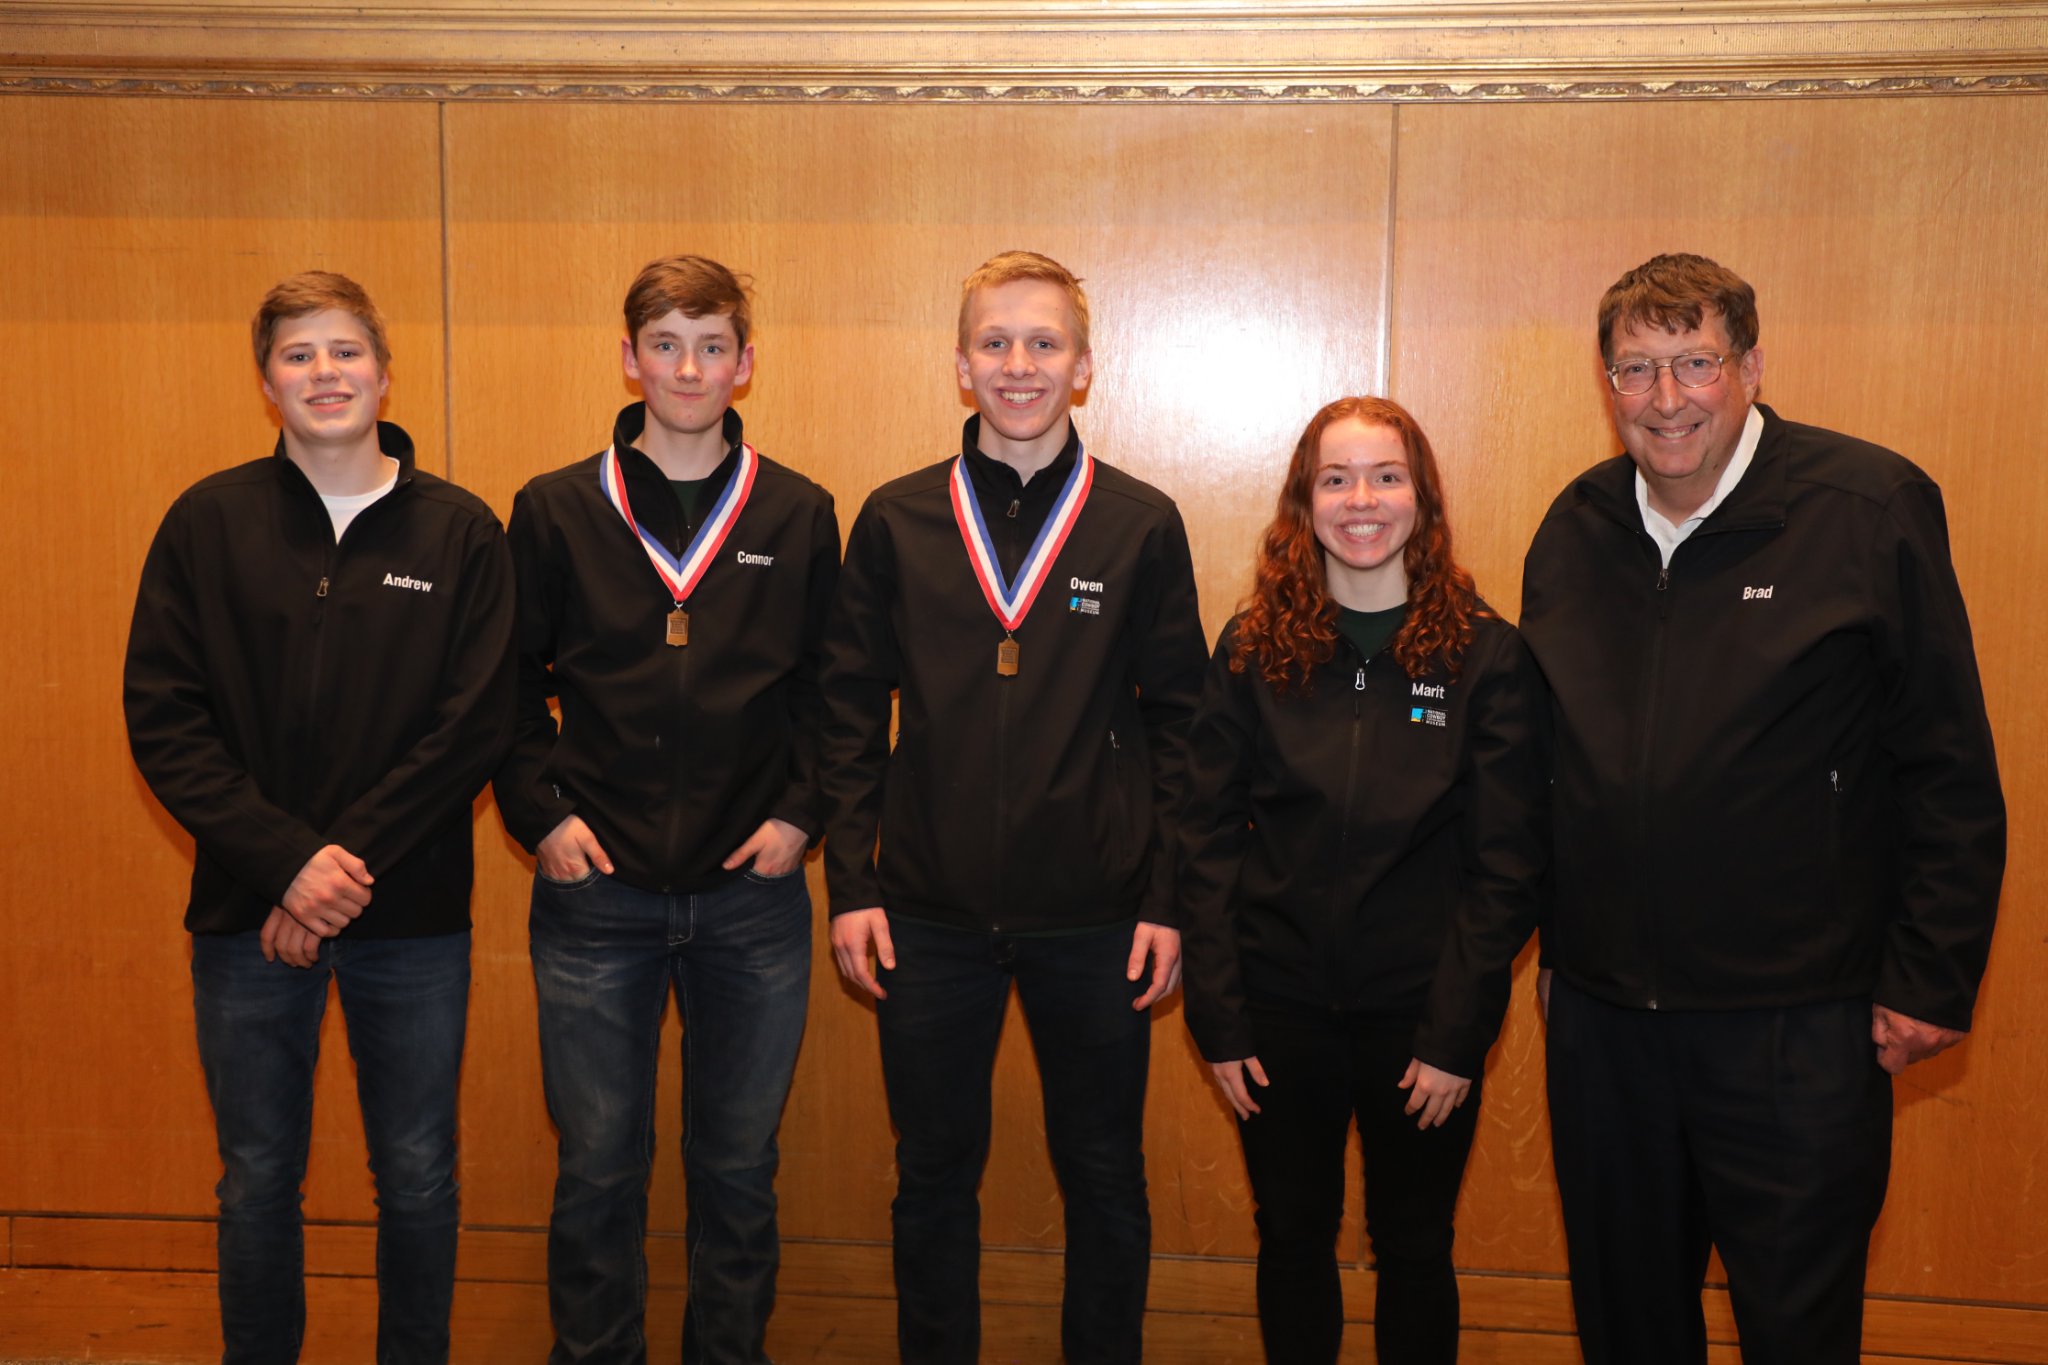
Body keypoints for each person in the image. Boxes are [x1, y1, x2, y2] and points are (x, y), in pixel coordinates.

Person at [1520, 252, 2005, 1365]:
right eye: (1635, 369)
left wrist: (1928, 973)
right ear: (1605, 384)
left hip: (1797, 1021)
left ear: (1747, 368)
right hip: (1603, 1024)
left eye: (1693, 362)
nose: (1664, 398)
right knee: (1626, 1326)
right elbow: (1546, 759)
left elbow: (1944, 760)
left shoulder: (1864, 506)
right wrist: (1557, 940)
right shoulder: (1576, 524)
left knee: (1792, 1324)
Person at [818, 250, 1208, 1364]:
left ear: (1083, 368)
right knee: (932, 1175)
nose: (1018, 364)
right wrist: (853, 884)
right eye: (994, 343)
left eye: (1043, 344)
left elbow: (1184, 726)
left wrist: (1166, 898)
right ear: (959, 365)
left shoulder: (1138, 523)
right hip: (925, 918)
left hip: (1095, 919)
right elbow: (847, 715)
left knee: (1102, 1172)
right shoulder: (894, 520)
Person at [123, 271, 515, 1364]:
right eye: (299, 356)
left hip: (413, 917)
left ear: (385, 375)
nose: (324, 373)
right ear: (266, 384)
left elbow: (473, 727)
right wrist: (291, 867)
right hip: (247, 915)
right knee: (256, 1175)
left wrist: (339, 871)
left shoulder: (461, 532)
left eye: (345, 352)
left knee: (419, 1172)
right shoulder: (208, 522)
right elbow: (164, 717)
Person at [491, 255, 840, 1365]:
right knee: (598, 1165)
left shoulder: (796, 509)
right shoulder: (553, 508)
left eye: (710, 345)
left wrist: (800, 817)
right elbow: (502, 686)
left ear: (745, 364)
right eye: (664, 343)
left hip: (753, 898)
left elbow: (832, 693)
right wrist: (541, 816)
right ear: (627, 357)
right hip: (597, 897)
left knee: (737, 1168)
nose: (687, 367)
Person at [1179, 397, 1548, 1364]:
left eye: (1387, 476)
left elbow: (1506, 867)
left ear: (1421, 497)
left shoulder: (1487, 657)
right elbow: (1206, 837)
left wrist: (1456, 1034)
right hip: (1276, 1015)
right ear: (1304, 501)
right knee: (1292, 1237)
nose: (1362, 500)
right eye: (1335, 478)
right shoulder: (1253, 647)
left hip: (1421, 1020)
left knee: (1416, 1245)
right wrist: (1219, 1016)